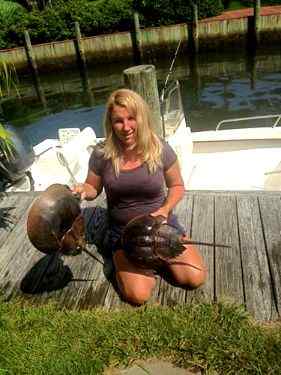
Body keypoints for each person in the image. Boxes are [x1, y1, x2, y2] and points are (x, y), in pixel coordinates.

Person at [73, 88, 206, 305]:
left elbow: (178, 186)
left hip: (161, 228)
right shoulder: (101, 155)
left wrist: (164, 210)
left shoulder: (160, 148)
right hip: (124, 234)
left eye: (131, 118)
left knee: (195, 277)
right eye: (118, 121)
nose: (126, 127)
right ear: (110, 123)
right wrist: (82, 190)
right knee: (137, 296)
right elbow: (92, 188)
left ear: (141, 117)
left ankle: (154, 258)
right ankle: (121, 259)